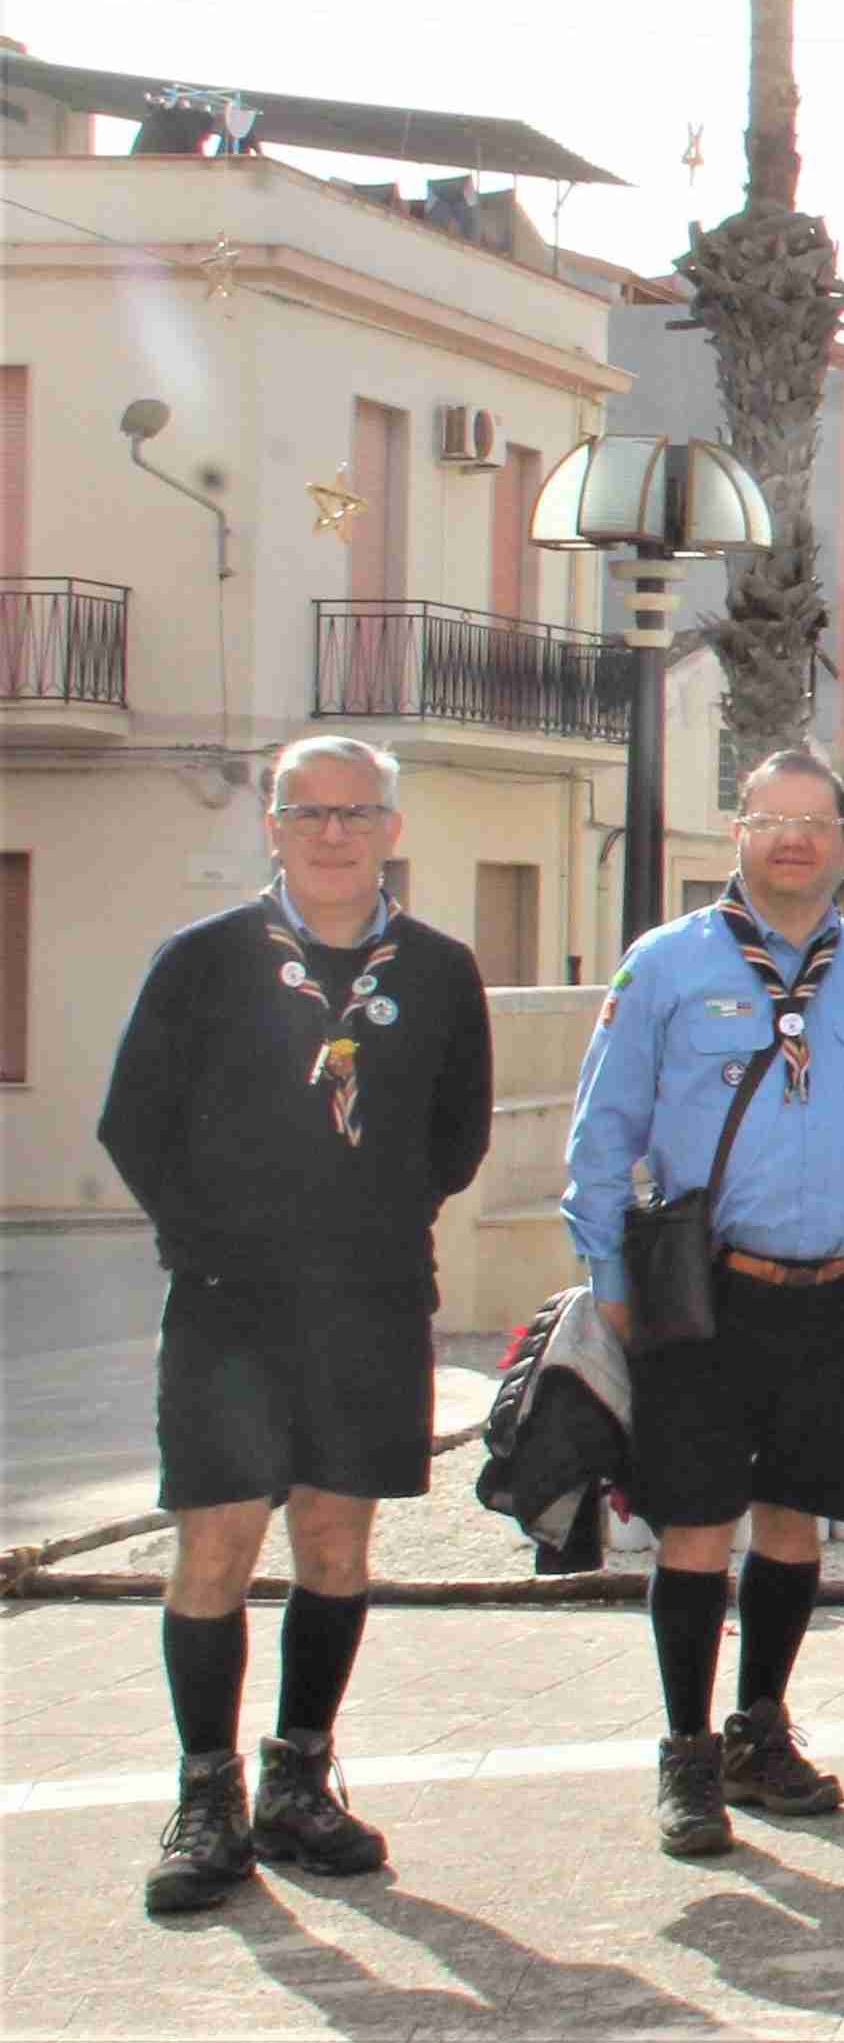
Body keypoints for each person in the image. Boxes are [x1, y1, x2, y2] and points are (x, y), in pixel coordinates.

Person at [101, 738, 493, 1916]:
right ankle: (206, 1797)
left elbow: (456, 1136)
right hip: (229, 1311)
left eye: (356, 812)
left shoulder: (436, 969)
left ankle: (299, 1782)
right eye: (309, 813)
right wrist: (206, 1243)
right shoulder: (203, 963)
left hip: (370, 1306)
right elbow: (135, 1123)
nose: (333, 833)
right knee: (215, 1544)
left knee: (335, 1547)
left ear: (390, 830)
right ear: (271, 828)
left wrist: (365, 1225)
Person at [564, 749, 844, 1857]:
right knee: (697, 1523)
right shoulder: (663, 965)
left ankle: (763, 1731)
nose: (793, 839)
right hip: (704, 1294)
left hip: (841, 1291)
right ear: (739, 836)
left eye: (815, 821)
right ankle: (687, 1756)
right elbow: (602, 1132)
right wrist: (611, 1278)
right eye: (770, 820)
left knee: (799, 1518)